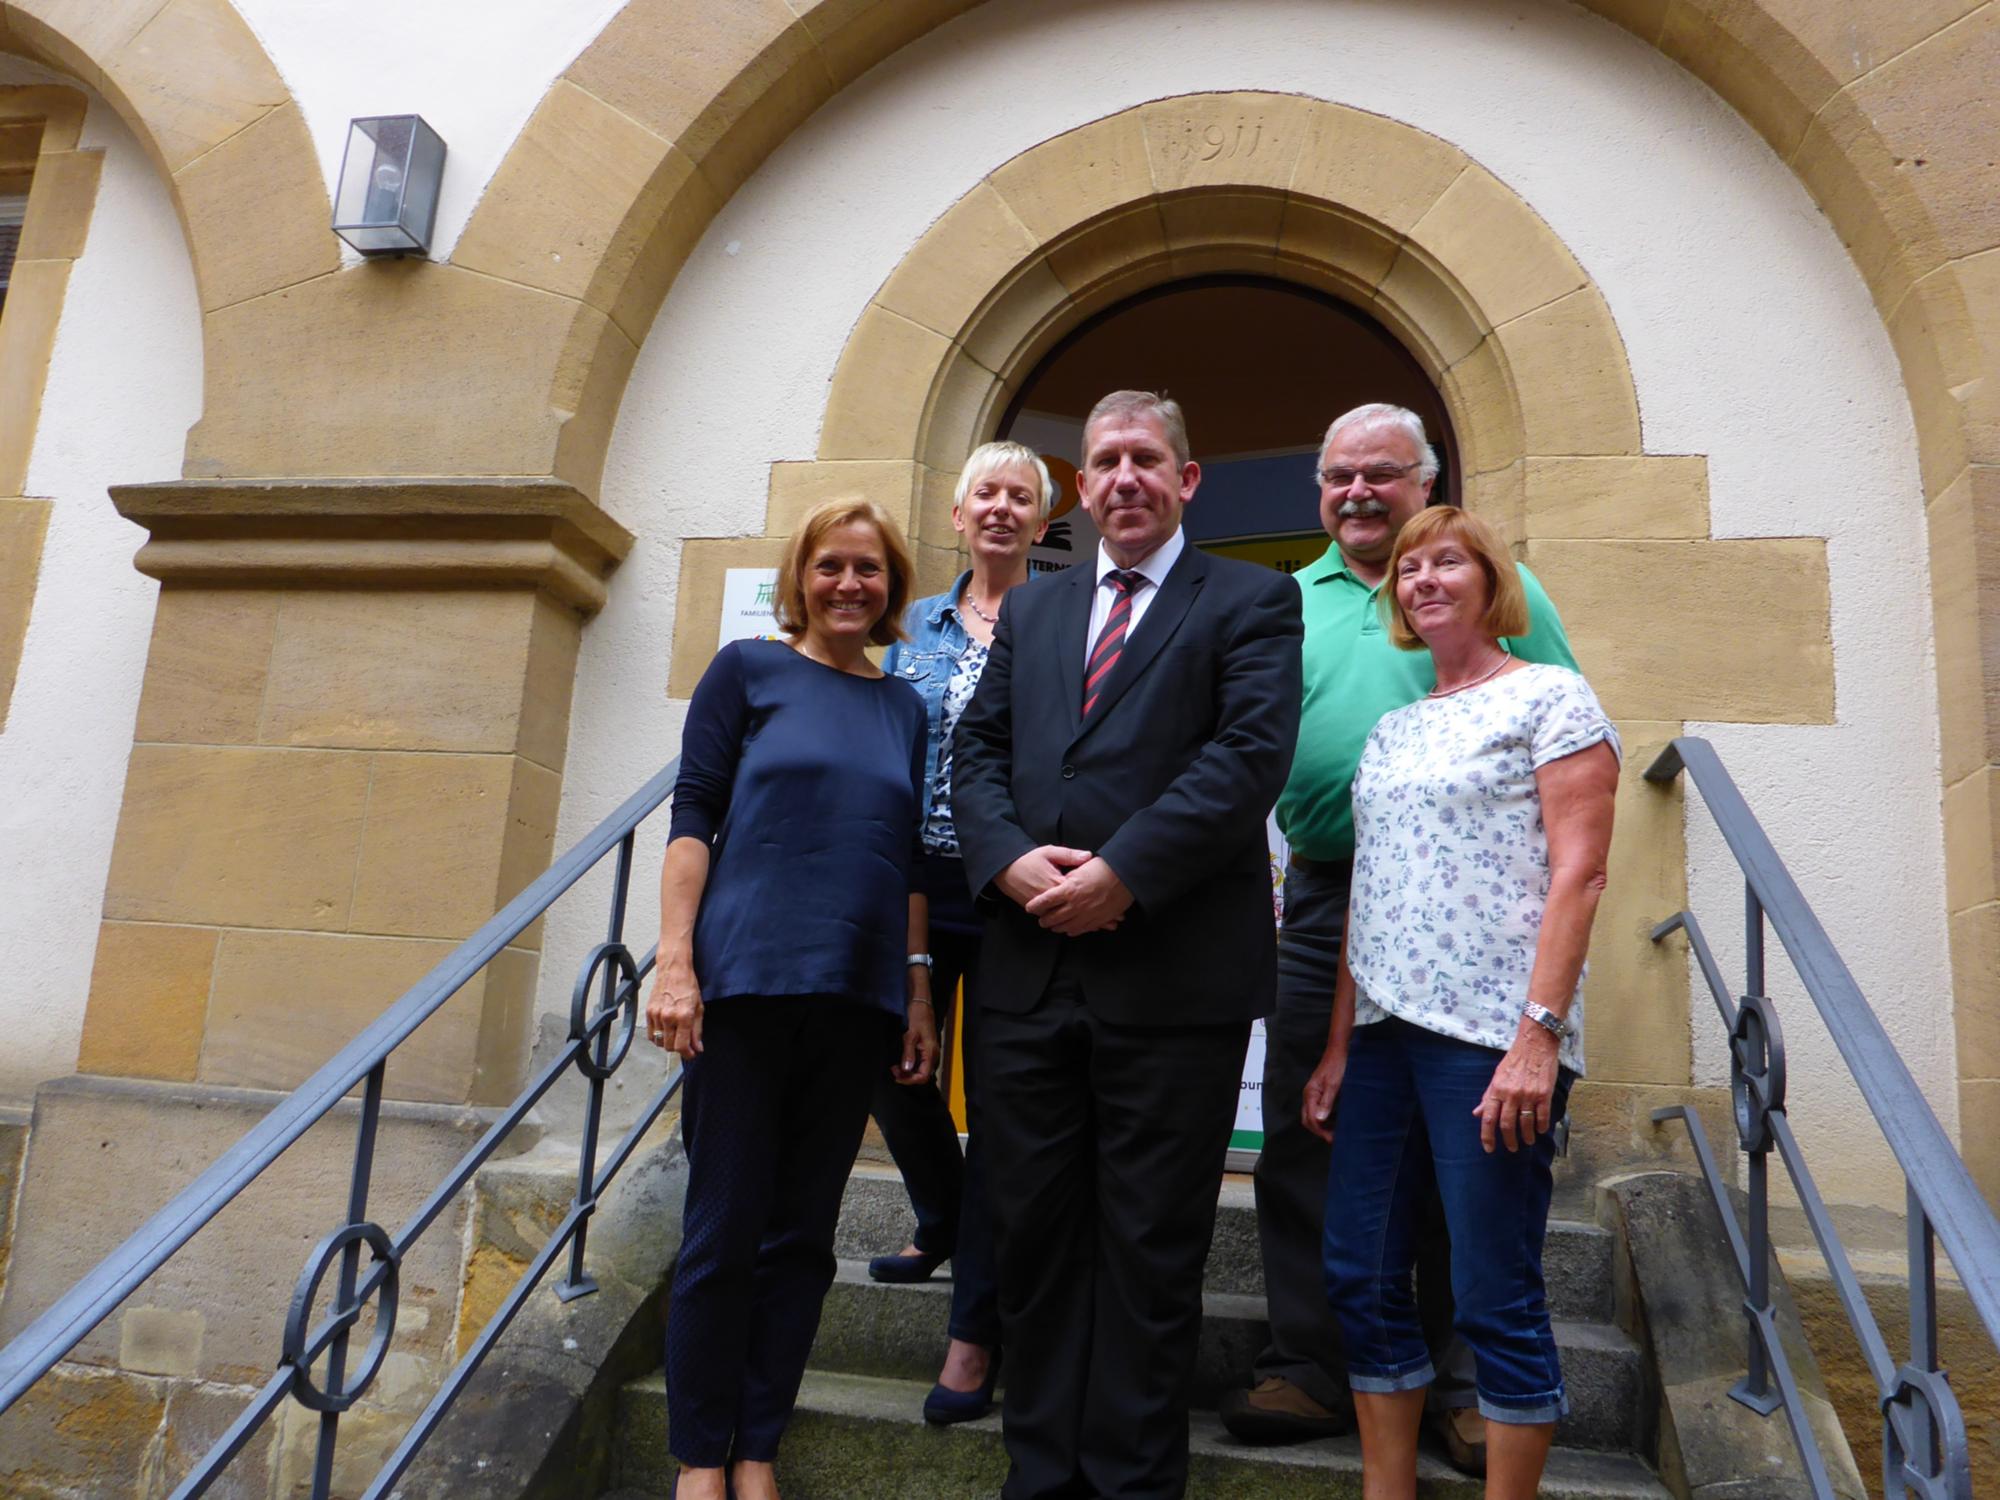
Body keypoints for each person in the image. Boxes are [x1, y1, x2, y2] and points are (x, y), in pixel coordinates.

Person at [954, 390, 1303, 1500]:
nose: (1123, 478)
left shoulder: (1251, 600)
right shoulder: (1037, 612)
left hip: (1172, 984)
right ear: (1083, 486)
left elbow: (1245, 759)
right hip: (1026, 978)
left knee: (1150, 1256)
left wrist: (1124, 876)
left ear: (1185, 478)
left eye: (1145, 459)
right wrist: (1006, 859)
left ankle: (1128, 1486)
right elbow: (976, 754)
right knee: (1035, 1245)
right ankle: (1039, 1475)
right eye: (1103, 461)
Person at [1222, 403, 1578, 1476]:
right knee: (1306, 1124)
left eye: (1381, 473)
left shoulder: (1508, 595)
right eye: (1337, 476)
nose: (1357, 492)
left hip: (1475, 910)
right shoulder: (1285, 601)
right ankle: (1309, 1360)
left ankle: (1463, 1383)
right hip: (1328, 892)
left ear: (1425, 481)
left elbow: (1574, 771)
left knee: (1459, 1142)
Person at [1303, 504, 1619, 1500]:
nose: (1423, 579)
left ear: (1489, 583)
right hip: (1384, 1037)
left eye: (1447, 562)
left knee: (1492, 1291)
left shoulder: (1551, 699)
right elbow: (1371, 890)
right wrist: (1336, 1047)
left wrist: (1537, 1040)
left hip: (1489, 1035)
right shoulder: (1391, 732)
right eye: (1407, 568)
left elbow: (1579, 877)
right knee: (1358, 1272)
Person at [645, 498, 942, 1500]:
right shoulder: (747, 672)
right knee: (721, 1227)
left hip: (855, 995)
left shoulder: (905, 709)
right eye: (830, 567)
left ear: (891, 586)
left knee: (803, 1241)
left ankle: (757, 1444)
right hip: (743, 984)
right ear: (799, 578)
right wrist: (674, 964)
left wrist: (914, 989)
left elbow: (901, 859)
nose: (849, 584)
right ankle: (699, 1456)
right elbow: (694, 816)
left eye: (867, 569)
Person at [865, 441, 1054, 1424]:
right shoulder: (911, 630)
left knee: (997, 1111)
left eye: (1019, 497)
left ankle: (973, 1335)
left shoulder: (1060, 623)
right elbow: (890, 767)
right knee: (890, 1064)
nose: (1000, 509)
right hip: (918, 879)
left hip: (1015, 887)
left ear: (1040, 520)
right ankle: (939, 1214)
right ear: (956, 512)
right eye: (985, 492)